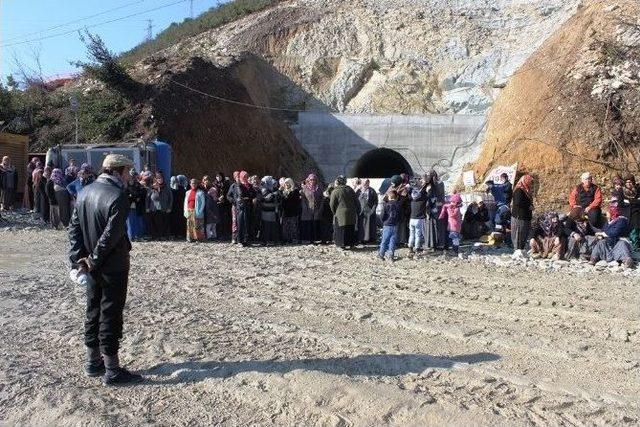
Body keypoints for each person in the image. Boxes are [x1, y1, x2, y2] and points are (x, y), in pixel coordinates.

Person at [68, 153, 142, 385]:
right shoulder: (118, 195)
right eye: (128, 171)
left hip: (92, 266)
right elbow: (111, 235)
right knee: (110, 314)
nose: (130, 176)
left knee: (93, 310)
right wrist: (92, 260)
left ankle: (93, 362)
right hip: (113, 266)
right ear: (117, 171)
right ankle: (112, 369)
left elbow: (73, 230)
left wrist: (79, 260)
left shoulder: (84, 192)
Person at [330, 175, 360, 249]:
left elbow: (332, 204)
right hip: (351, 213)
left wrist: (335, 212)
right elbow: (357, 202)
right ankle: (351, 244)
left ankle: (341, 244)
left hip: (340, 214)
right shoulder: (350, 190)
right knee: (350, 228)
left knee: (341, 230)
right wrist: (357, 211)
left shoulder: (335, 191)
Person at [229, 171, 256, 246]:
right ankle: (239, 240)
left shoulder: (249, 185)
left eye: (246, 176)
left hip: (248, 206)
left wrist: (248, 197)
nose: (245, 178)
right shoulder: (238, 185)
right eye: (244, 176)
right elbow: (241, 195)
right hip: (241, 206)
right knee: (240, 223)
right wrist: (245, 197)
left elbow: (254, 194)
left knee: (247, 224)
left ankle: (246, 240)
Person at [511, 174, 535, 259]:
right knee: (519, 233)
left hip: (525, 217)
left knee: (524, 234)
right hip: (519, 217)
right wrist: (528, 206)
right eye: (529, 182)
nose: (530, 184)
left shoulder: (526, 190)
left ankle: (521, 250)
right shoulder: (519, 190)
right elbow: (518, 202)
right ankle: (517, 251)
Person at [145, 171, 172, 239]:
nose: (160, 180)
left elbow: (171, 198)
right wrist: (147, 207)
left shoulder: (166, 187)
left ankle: (162, 235)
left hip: (163, 207)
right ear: (156, 179)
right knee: (154, 222)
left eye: (161, 178)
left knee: (163, 222)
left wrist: (169, 207)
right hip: (153, 208)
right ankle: (155, 235)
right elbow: (147, 198)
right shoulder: (151, 188)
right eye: (158, 178)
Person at [300, 173, 324, 244]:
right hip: (307, 209)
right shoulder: (305, 188)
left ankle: (316, 239)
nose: (312, 181)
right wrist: (306, 209)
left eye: (314, 180)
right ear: (308, 180)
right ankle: (308, 239)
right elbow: (303, 200)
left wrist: (320, 208)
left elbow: (322, 199)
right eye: (311, 180)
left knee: (316, 224)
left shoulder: (318, 188)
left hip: (317, 209)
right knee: (308, 224)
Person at [408, 174, 429, 255]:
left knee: (411, 234)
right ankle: (417, 248)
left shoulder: (412, 200)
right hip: (419, 219)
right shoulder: (422, 200)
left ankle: (410, 247)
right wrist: (425, 183)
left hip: (411, 219)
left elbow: (410, 193)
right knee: (418, 234)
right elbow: (425, 194)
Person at [378, 190, 401, 261]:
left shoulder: (386, 205)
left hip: (387, 224)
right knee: (392, 240)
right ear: (396, 197)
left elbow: (382, 215)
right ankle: (391, 255)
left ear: (389, 197)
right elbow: (401, 215)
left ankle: (381, 254)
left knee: (384, 240)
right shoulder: (398, 205)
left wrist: (383, 221)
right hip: (395, 224)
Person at [619, 174, 640, 250]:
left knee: (636, 225)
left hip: (636, 211)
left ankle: (636, 245)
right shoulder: (621, 191)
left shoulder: (638, 190)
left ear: (633, 182)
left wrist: (630, 202)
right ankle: (633, 244)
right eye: (627, 182)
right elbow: (620, 204)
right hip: (625, 212)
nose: (628, 184)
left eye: (630, 182)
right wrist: (634, 201)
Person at [125, 169, 147, 240]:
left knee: (137, 221)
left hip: (137, 205)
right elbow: (127, 195)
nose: (133, 178)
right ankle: (131, 236)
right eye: (132, 176)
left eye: (134, 176)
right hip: (130, 205)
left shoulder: (137, 184)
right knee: (130, 221)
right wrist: (134, 197)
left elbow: (141, 193)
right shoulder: (125, 185)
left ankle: (137, 235)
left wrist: (136, 196)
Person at [259, 176, 281, 245]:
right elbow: (268, 198)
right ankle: (265, 241)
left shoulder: (273, 189)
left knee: (273, 226)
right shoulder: (263, 189)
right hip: (266, 210)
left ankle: (272, 240)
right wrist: (274, 194)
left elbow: (279, 197)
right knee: (266, 226)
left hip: (272, 210)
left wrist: (276, 193)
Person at [356, 179, 378, 244]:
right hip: (361, 211)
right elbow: (356, 200)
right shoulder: (358, 191)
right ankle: (361, 239)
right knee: (361, 226)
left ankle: (369, 239)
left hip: (369, 211)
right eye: (364, 183)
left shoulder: (372, 191)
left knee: (369, 226)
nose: (366, 184)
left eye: (367, 183)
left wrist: (372, 211)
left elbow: (375, 202)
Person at [184, 178, 206, 242]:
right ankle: (190, 238)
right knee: (190, 225)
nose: (193, 184)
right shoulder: (187, 192)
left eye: (195, 183)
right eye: (192, 183)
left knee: (198, 225)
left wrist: (200, 211)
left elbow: (203, 202)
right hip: (189, 210)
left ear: (197, 184)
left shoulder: (200, 192)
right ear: (190, 184)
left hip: (197, 211)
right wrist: (185, 211)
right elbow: (185, 202)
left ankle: (199, 238)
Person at [280, 178, 301, 244]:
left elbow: (295, 200)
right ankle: (285, 238)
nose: (287, 184)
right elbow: (281, 200)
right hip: (285, 211)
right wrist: (281, 191)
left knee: (293, 226)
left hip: (293, 211)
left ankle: (293, 239)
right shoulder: (283, 191)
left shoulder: (295, 191)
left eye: (288, 183)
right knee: (285, 226)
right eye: (285, 183)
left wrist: (287, 194)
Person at [215, 172, 232, 240]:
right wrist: (217, 198)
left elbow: (229, 193)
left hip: (225, 204)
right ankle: (219, 234)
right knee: (219, 219)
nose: (218, 178)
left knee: (226, 219)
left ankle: (226, 234)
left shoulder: (226, 184)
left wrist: (224, 197)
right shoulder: (214, 184)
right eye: (217, 176)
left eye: (220, 176)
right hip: (217, 203)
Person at [202, 175, 219, 241]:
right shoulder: (201, 188)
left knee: (212, 223)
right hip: (203, 207)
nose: (206, 181)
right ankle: (206, 235)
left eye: (208, 180)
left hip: (212, 207)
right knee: (206, 223)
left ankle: (213, 236)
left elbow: (215, 198)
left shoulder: (212, 188)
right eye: (205, 180)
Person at [227, 171, 241, 244]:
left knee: (241, 222)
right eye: (237, 177)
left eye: (239, 177)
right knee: (235, 222)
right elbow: (228, 196)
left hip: (242, 207)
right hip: (235, 206)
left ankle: (240, 237)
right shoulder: (233, 186)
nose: (238, 178)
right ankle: (234, 237)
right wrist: (233, 201)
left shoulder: (243, 185)